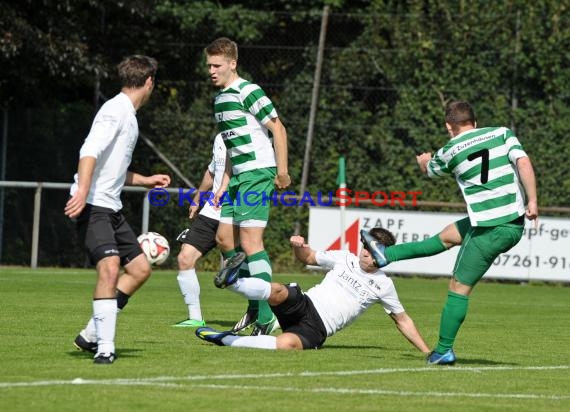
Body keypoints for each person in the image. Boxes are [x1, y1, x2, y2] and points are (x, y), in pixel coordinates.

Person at [366, 100, 538, 365]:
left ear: (449, 126)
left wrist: (424, 161)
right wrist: (533, 201)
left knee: (458, 287)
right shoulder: (502, 133)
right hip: (511, 221)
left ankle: (444, 349)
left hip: (490, 228)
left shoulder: (450, 149)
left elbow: (431, 171)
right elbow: (524, 163)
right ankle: (385, 254)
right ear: (474, 121)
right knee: (446, 236)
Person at [64, 55, 171, 364]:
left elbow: (114, 170)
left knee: (139, 270)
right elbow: (89, 152)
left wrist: (145, 180)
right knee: (110, 268)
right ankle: (105, 347)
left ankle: (90, 334)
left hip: (111, 209)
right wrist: (83, 191)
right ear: (149, 82)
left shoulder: (128, 114)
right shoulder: (115, 111)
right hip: (94, 207)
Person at [195, 228, 431, 353]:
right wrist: (299, 247)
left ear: (384, 256)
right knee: (278, 291)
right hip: (305, 303)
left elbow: (403, 321)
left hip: (317, 328)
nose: (364, 253)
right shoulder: (344, 258)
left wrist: (427, 351)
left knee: (285, 345)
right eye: (364, 247)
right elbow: (307, 257)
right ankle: (233, 281)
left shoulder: (384, 285)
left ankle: (226, 340)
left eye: (371, 250)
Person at [205, 37, 291, 335]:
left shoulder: (248, 91)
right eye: (209, 66)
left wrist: (282, 171)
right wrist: (221, 185)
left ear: (232, 63)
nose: (211, 71)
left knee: (252, 244)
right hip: (238, 177)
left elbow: (277, 127)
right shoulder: (219, 99)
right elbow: (230, 147)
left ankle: (267, 316)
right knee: (224, 239)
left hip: (258, 172)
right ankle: (256, 306)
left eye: (217, 65)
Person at [173, 133, 225, 328]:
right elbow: (212, 172)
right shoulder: (219, 137)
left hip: (235, 212)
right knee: (185, 257)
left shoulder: (250, 136)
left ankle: (268, 311)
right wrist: (197, 199)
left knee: (236, 270)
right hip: (211, 210)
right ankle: (195, 317)